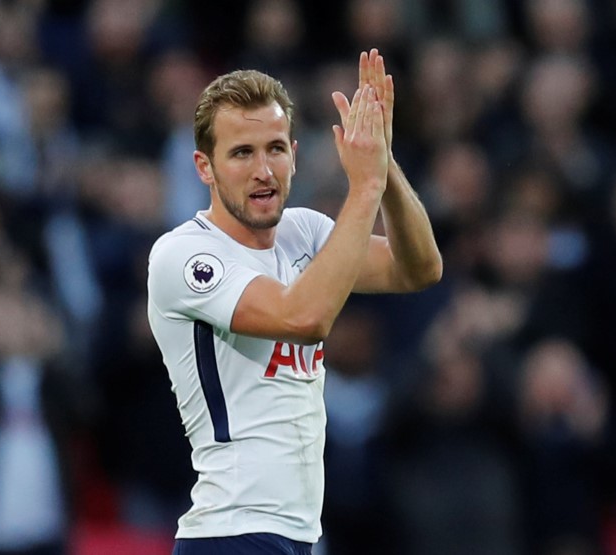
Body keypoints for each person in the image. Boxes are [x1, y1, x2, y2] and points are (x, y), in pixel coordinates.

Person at [146, 48, 442, 554]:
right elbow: (304, 317)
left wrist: (385, 165)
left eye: (275, 148)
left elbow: (418, 268)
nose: (264, 170)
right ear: (204, 167)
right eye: (242, 153)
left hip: (294, 535)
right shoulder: (184, 255)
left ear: (294, 154)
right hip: (230, 532)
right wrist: (365, 185)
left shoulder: (304, 231)